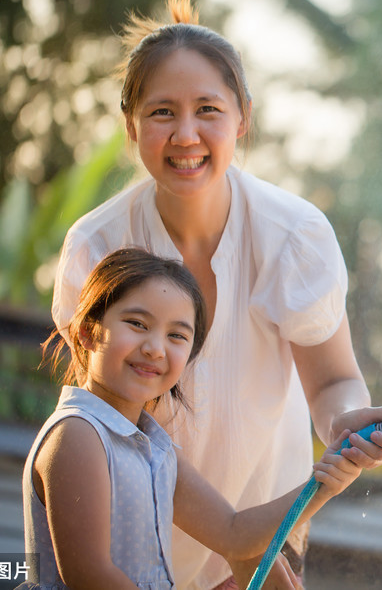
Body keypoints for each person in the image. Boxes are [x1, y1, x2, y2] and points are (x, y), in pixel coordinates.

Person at [50, 0, 382, 589]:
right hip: (133, 546)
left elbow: (330, 380)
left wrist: (347, 427)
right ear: (131, 125)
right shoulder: (97, 246)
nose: (186, 134)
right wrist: (230, 539)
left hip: (261, 526)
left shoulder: (295, 235)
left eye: (209, 110)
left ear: (243, 117)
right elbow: (106, 419)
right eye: (162, 112)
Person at [23, 247, 362, 590]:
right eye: (137, 324)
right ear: (88, 331)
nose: (156, 347)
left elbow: (233, 533)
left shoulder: (155, 446)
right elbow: (90, 575)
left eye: (176, 336)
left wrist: (323, 485)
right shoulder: (78, 434)